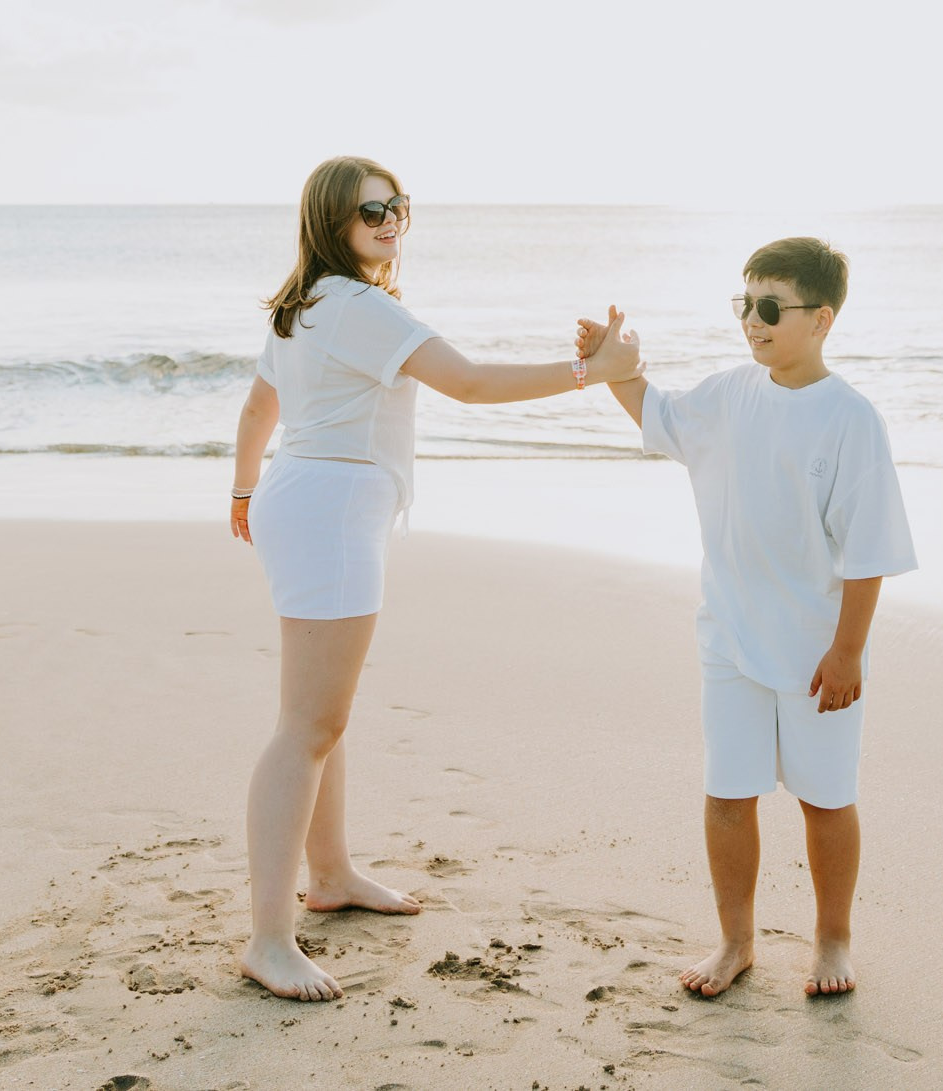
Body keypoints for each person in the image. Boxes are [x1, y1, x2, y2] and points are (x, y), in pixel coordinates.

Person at [229, 154, 640, 1003]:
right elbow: (471, 382)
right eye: (369, 210)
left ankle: (332, 872)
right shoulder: (360, 306)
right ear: (330, 222)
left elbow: (258, 407)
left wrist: (243, 488)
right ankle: (269, 937)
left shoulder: (301, 305)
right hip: (331, 514)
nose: (390, 221)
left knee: (319, 715)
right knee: (307, 724)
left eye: (398, 206)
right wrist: (588, 374)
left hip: (305, 502)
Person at [576, 236, 917, 999]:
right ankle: (736, 939)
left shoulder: (850, 419)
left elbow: (868, 551)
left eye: (771, 307)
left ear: (821, 318)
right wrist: (612, 365)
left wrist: (849, 652)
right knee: (728, 794)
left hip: (815, 652)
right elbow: (657, 414)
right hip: (728, 635)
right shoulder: (730, 393)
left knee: (826, 799)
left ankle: (833, 939)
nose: (753, 321)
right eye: (745, 304)